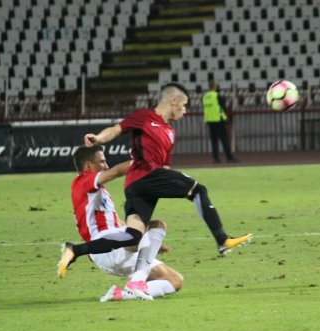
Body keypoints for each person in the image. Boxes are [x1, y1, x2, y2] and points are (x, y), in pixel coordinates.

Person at [59, 82, 251, 287]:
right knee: (198, 190)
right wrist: (98, 137)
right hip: (143, 175)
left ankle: (81, 253)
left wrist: (168, 185)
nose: (185, 111)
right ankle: (222, 240)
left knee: (133, 235)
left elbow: (165, 168)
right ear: (173, 100)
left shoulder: (170, 133)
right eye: (184, 105)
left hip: (143, 184)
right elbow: (116, 130)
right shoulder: (144, 116)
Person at [60, 144, 183, 301]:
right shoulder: (83, 181)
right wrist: (142, 163)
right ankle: (137, 282)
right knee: (151, 228)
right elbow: (116, 172)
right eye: (102, 162)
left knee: (175, 281)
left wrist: (153, 242)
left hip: (116, 249)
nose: (106, 165)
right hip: (106, 246)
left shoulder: (97, 192)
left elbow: (121, 225)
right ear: (88, 165)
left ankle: (120, 294)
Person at [202, 80, 237, 163]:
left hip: (209, 121)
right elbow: (222, 109)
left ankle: (215, 158)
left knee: (214, 141)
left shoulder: (205, 96)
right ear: (215, 86)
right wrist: (225, 120)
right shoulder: (217, 96)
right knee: (224, 140)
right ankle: (229, 157)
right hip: (218, 120)